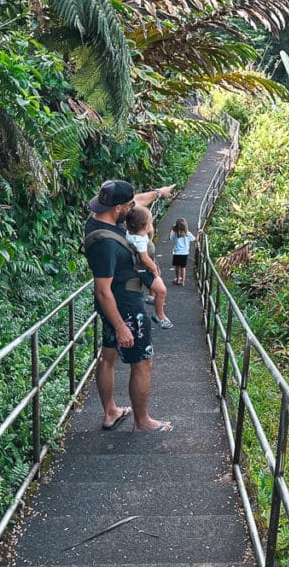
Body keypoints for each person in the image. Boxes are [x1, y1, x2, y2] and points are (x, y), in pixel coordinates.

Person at [83, 179, 175, 432]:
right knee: (143, 361)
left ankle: (111, 411)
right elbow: (102, 291)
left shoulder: (98, 217)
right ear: (117, 209)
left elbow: (140, 201)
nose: (133, 207)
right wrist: (121, 326)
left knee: (108, 355)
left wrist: (159, 193)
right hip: (123, 306)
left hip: (117, 303)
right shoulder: (106, 245)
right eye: (128, 205)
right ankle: (142, 421)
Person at [123, 205, 171, 329]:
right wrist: (154, 270)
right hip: (143, 269)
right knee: (162, 290)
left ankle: (152, 297)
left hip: (144, 266)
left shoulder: (133, 233)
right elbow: (144, 258)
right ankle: (159, 315)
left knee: (158, 289)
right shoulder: (138, 240)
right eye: (150, 222)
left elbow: (148, 238)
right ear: (144, 226)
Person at [169, 217, 201, 286]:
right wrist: (198, 233)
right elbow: (196, 240)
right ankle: (183, 281)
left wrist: (172, 229)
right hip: (184, 253)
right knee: (183, 267)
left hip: (176, 253)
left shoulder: (175, 233)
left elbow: (170, 238)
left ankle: (177, 280)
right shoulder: (188, 234)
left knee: (177, 267)